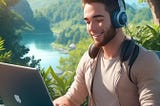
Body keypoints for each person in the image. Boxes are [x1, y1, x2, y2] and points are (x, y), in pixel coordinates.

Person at [53, 0, 160, 106]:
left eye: (98, 20)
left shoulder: (145, 61)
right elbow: (71, 99)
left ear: (118, 19)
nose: (91, 28)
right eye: (88, 22)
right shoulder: (89, 59)